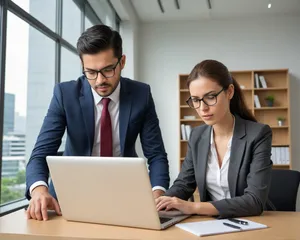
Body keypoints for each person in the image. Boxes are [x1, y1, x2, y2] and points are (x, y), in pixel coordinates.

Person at [25, 24, 170, 221]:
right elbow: (40, 153)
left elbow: (156, 155)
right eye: (91, 72)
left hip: (126, 195)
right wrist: (39, 190)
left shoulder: (140, 95)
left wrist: (157, 193)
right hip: (69, 198)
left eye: (108, 69)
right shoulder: (65, 95)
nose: (100, 80)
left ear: (122, 62)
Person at [156, 59, 273, 218]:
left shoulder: (258, 134)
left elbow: (254, 201)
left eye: (210, 97)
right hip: (211, 225)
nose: (203, 108)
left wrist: (194, 207)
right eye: (196, 100)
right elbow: (184, 184)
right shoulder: (197, 136)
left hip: (250, 223)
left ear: (229, 92)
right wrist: (161, 201)